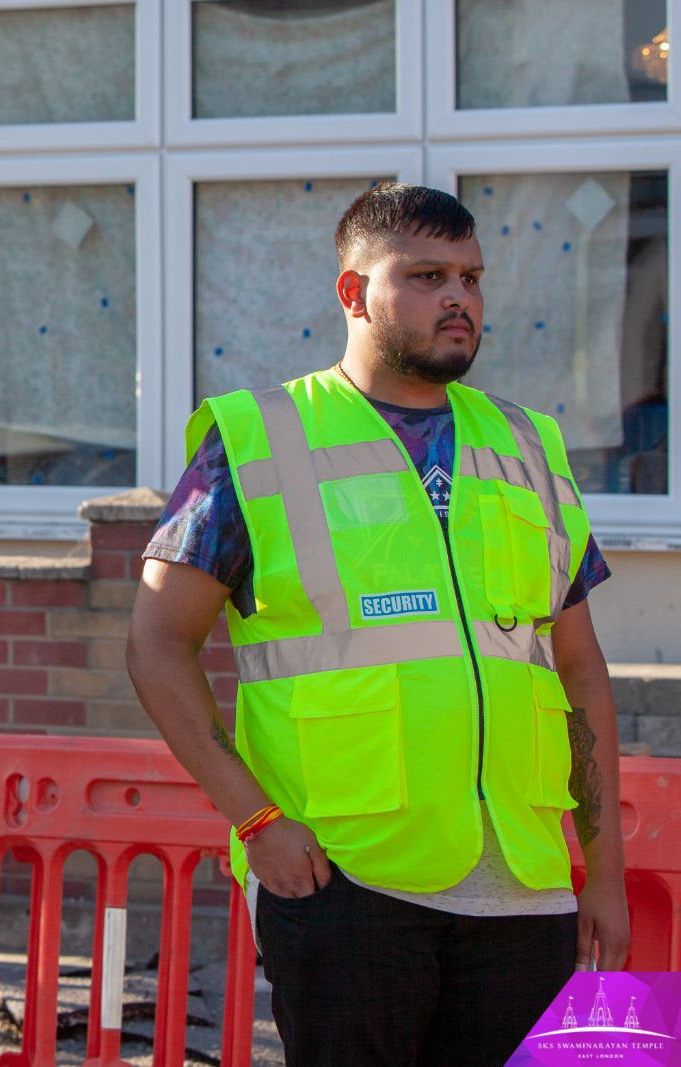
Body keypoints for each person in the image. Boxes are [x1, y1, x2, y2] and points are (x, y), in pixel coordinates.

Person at [125, 183, 628, 1067]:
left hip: (525, 890)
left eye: (471, 277)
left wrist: (606, 873)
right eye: (427, 276)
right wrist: (257, 823)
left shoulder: (530, 445)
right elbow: (156, 646)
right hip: (348, 880)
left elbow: (579, 668)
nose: (460, 298)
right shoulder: (254, 440)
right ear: (353, 293)